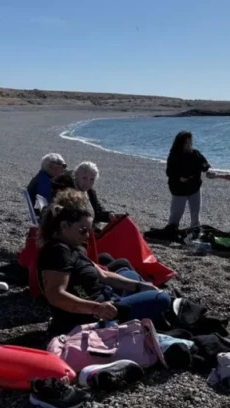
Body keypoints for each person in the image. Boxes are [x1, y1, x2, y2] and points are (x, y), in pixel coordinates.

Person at [37, 189, 171, 336]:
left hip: (104, 300)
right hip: (94, 316)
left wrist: (140, 286)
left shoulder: (72, 247)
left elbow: (104, 275)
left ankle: (150, 315)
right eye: (83, 230)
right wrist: (96, 308)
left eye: (89, 230)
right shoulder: (58, 252)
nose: (87, 235)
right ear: (64, 226)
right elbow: (55, 295)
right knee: (162, 298)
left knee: (129, 274)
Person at [166, 131, 210, 229]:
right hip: (179, 189)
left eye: (190, 142)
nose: (189, 145)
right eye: (186, 143)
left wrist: (206, 167)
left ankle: (194, 231)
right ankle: (171, 230)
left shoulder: (195, 153)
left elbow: (204, 164)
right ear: (180, 143)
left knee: (195, 214)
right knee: (176, 214)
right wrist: (179, 178)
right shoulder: (174, 155)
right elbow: (169, 172)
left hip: (195, 187)